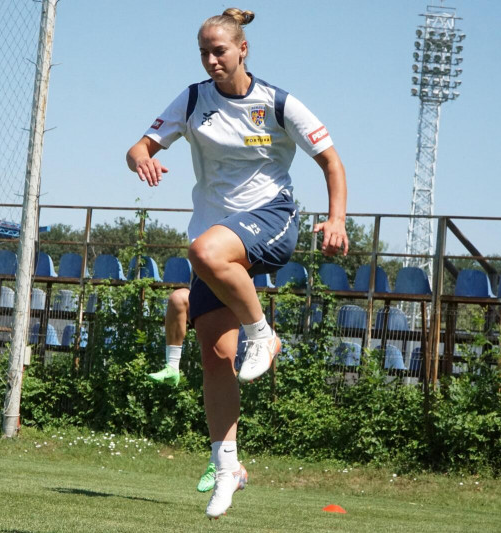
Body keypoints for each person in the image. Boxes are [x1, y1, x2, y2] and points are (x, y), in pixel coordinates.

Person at [126, 7, 348, 519]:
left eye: (219, 50)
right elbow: (139, 145)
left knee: (203, 251)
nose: (211, 60)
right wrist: (141, 156)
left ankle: (263, 333)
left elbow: (331, 159)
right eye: (204, 52)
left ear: (242, 49)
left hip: (271, 219)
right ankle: (227, 467)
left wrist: (336, 219)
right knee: (216, 359)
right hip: (219, 240)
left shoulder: (277, 102)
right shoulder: (192, 99)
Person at [146, 287, 217, 493]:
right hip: (209, 299)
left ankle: (220, 462)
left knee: (220, 384)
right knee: (178, 298)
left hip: (233, 310)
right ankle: (172, 366)